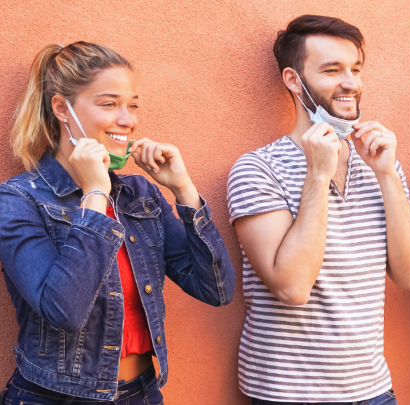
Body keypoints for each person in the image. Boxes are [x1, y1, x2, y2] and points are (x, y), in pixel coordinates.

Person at [0, 41, 235, 404]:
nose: (128, 120)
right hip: (55, 398)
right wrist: (95, 191)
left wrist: (182, 188)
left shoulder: (139, 193)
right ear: (62, 108)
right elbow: (63, 310)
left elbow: (216, 289)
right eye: (110, 104)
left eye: (132, 105)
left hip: (141, 393)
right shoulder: (20, 199)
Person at [227, 15, 410, 405]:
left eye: (355, 69)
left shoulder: (379, 163)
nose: (351, 83)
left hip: (373, 389)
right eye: (332, 70)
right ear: (293, 79)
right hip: (289, 394)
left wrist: (387, 175)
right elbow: (291, 286)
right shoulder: (256, 169)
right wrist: (318, 177)